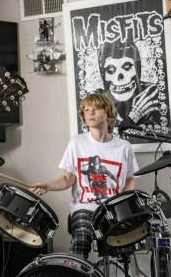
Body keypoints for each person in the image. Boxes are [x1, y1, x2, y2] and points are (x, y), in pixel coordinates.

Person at [30, 93, 138, 259]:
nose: (90, 113)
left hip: (113, 209)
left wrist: (126, 203)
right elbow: (67, 179)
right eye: (87, 110)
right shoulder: (77, 143)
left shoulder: (124, 147)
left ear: (108, 114)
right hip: (84, 208)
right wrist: (47, 185)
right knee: (81, 239)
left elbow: (130, 178)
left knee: (130, 241)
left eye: (95, 109)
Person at [98, 41, 162, 133]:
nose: (119, 77)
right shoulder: (97, 99)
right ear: (103, 74)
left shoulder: (152, 92)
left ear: (137, 69)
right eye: (110, 70)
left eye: (127, 67)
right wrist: (135, 115)